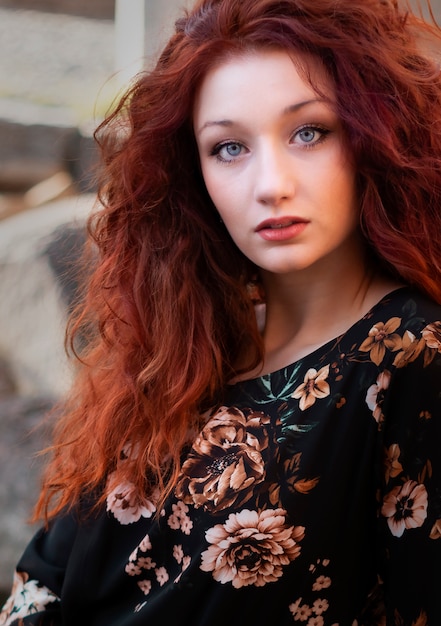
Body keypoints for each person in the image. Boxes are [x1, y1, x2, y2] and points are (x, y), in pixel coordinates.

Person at [2, 0, 441, 623]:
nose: (271, 183)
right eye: (229, 147)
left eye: (308, 131)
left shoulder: (411, 357)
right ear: (194, 175)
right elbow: (45, 573)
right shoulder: (183, 349)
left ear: (374, 135)